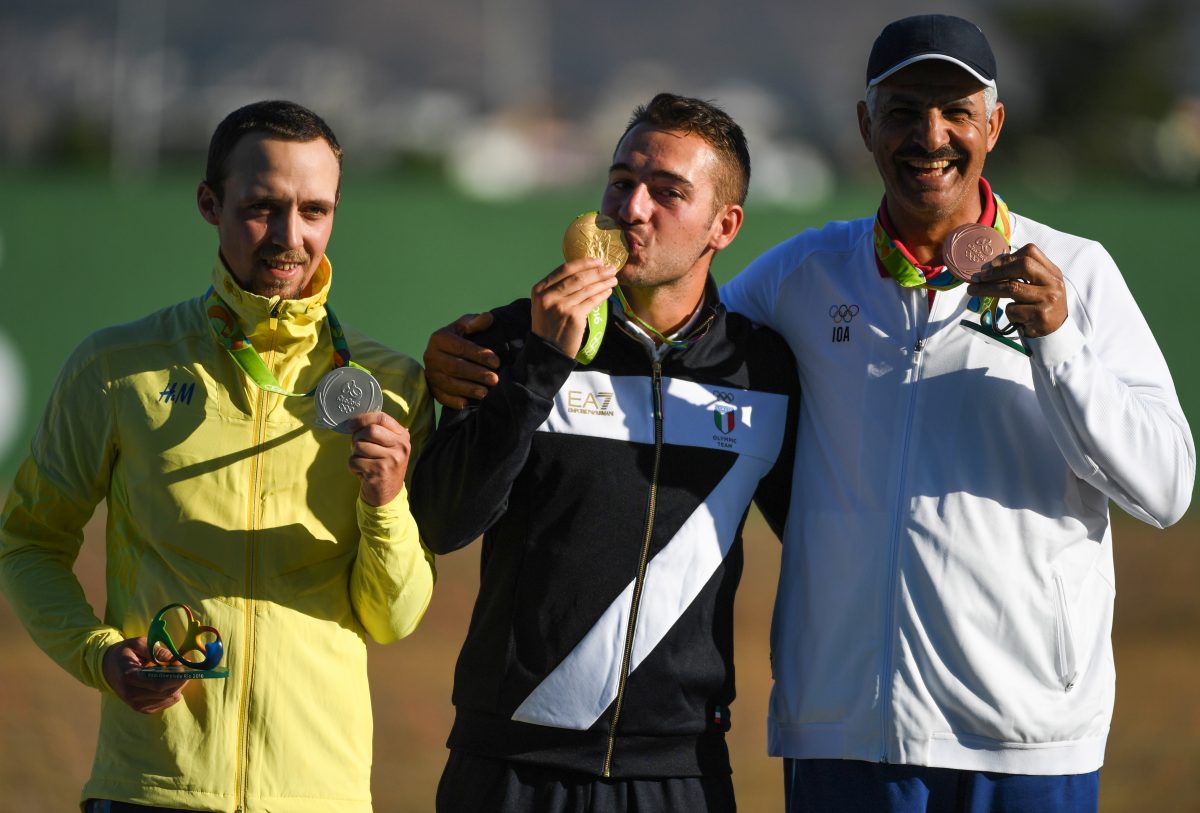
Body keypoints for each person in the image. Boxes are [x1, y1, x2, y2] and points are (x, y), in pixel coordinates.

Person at [423, 16, 1196, 813]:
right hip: (843, 733)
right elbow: (672, 324)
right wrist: (489, 348)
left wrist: (1060, 344)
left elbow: (1167, 488)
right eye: (902, 111)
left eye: (956, 112)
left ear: (993, 125)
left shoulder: (1077, 275)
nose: (930, 136)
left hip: (1027, 734)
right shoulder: (804, 275)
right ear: (866, 125)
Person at [0, 100, 436, 812]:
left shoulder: (392, 386)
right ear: (210, 203)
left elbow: (394, 618)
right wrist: (99, 653)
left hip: (318, 794)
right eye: (263, 207)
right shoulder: (117, 367)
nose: (290, 237)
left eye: (315, 210)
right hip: (151, 789)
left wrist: (385, 501)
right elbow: (27, 542)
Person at [409, 93, 799, 812]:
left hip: (680, 770)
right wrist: (538, 368)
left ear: (724, 225)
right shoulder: (506, 342)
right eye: (621, 182)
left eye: (668, 192)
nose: (632, 208)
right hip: (509, 766)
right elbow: (441, 521)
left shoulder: (765, 373)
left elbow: (824, 534)